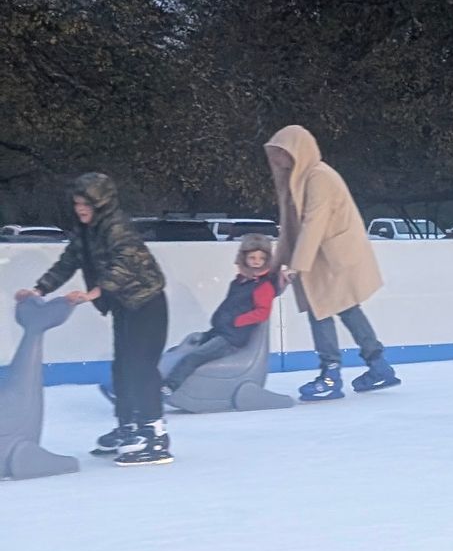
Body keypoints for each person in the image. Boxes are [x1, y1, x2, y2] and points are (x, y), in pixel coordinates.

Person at [19, 172, 171, 464]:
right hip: (123, 305)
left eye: (85, 203)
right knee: (123, 368)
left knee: (141, 368)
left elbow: (124, 265)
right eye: (76, 203)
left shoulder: (117, 228)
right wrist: (38, 289)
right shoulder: (86, 231)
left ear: (101, 203)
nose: (80, 209)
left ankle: (155, 434)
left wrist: (94, 293)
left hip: (147, 303)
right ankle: (128, 427)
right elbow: (67, 262)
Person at [264, 126, 399, 400]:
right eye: (274, 153)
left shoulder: (318, 177)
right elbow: (290, 227)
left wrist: (294, 266)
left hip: (330, 259)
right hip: (319, 259)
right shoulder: (295, 179)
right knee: (347, 309)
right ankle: (378, 365)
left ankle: (331, 374)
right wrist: (278, 262)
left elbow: (314, 223)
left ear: (297, 150)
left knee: (322, 311)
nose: (276, 159)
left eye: (281, 152)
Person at [163, 235, 282, 394]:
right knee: (182, 349)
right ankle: (161, 376)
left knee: (195, 357)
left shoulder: (263, 286)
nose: (256, 261)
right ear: (244, 258)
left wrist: (238, 321)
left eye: (261, 258)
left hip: (231, 338)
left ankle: (170, 386)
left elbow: (262, 312)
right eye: (252, 257)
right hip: (220, 331)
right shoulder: (239, 282)